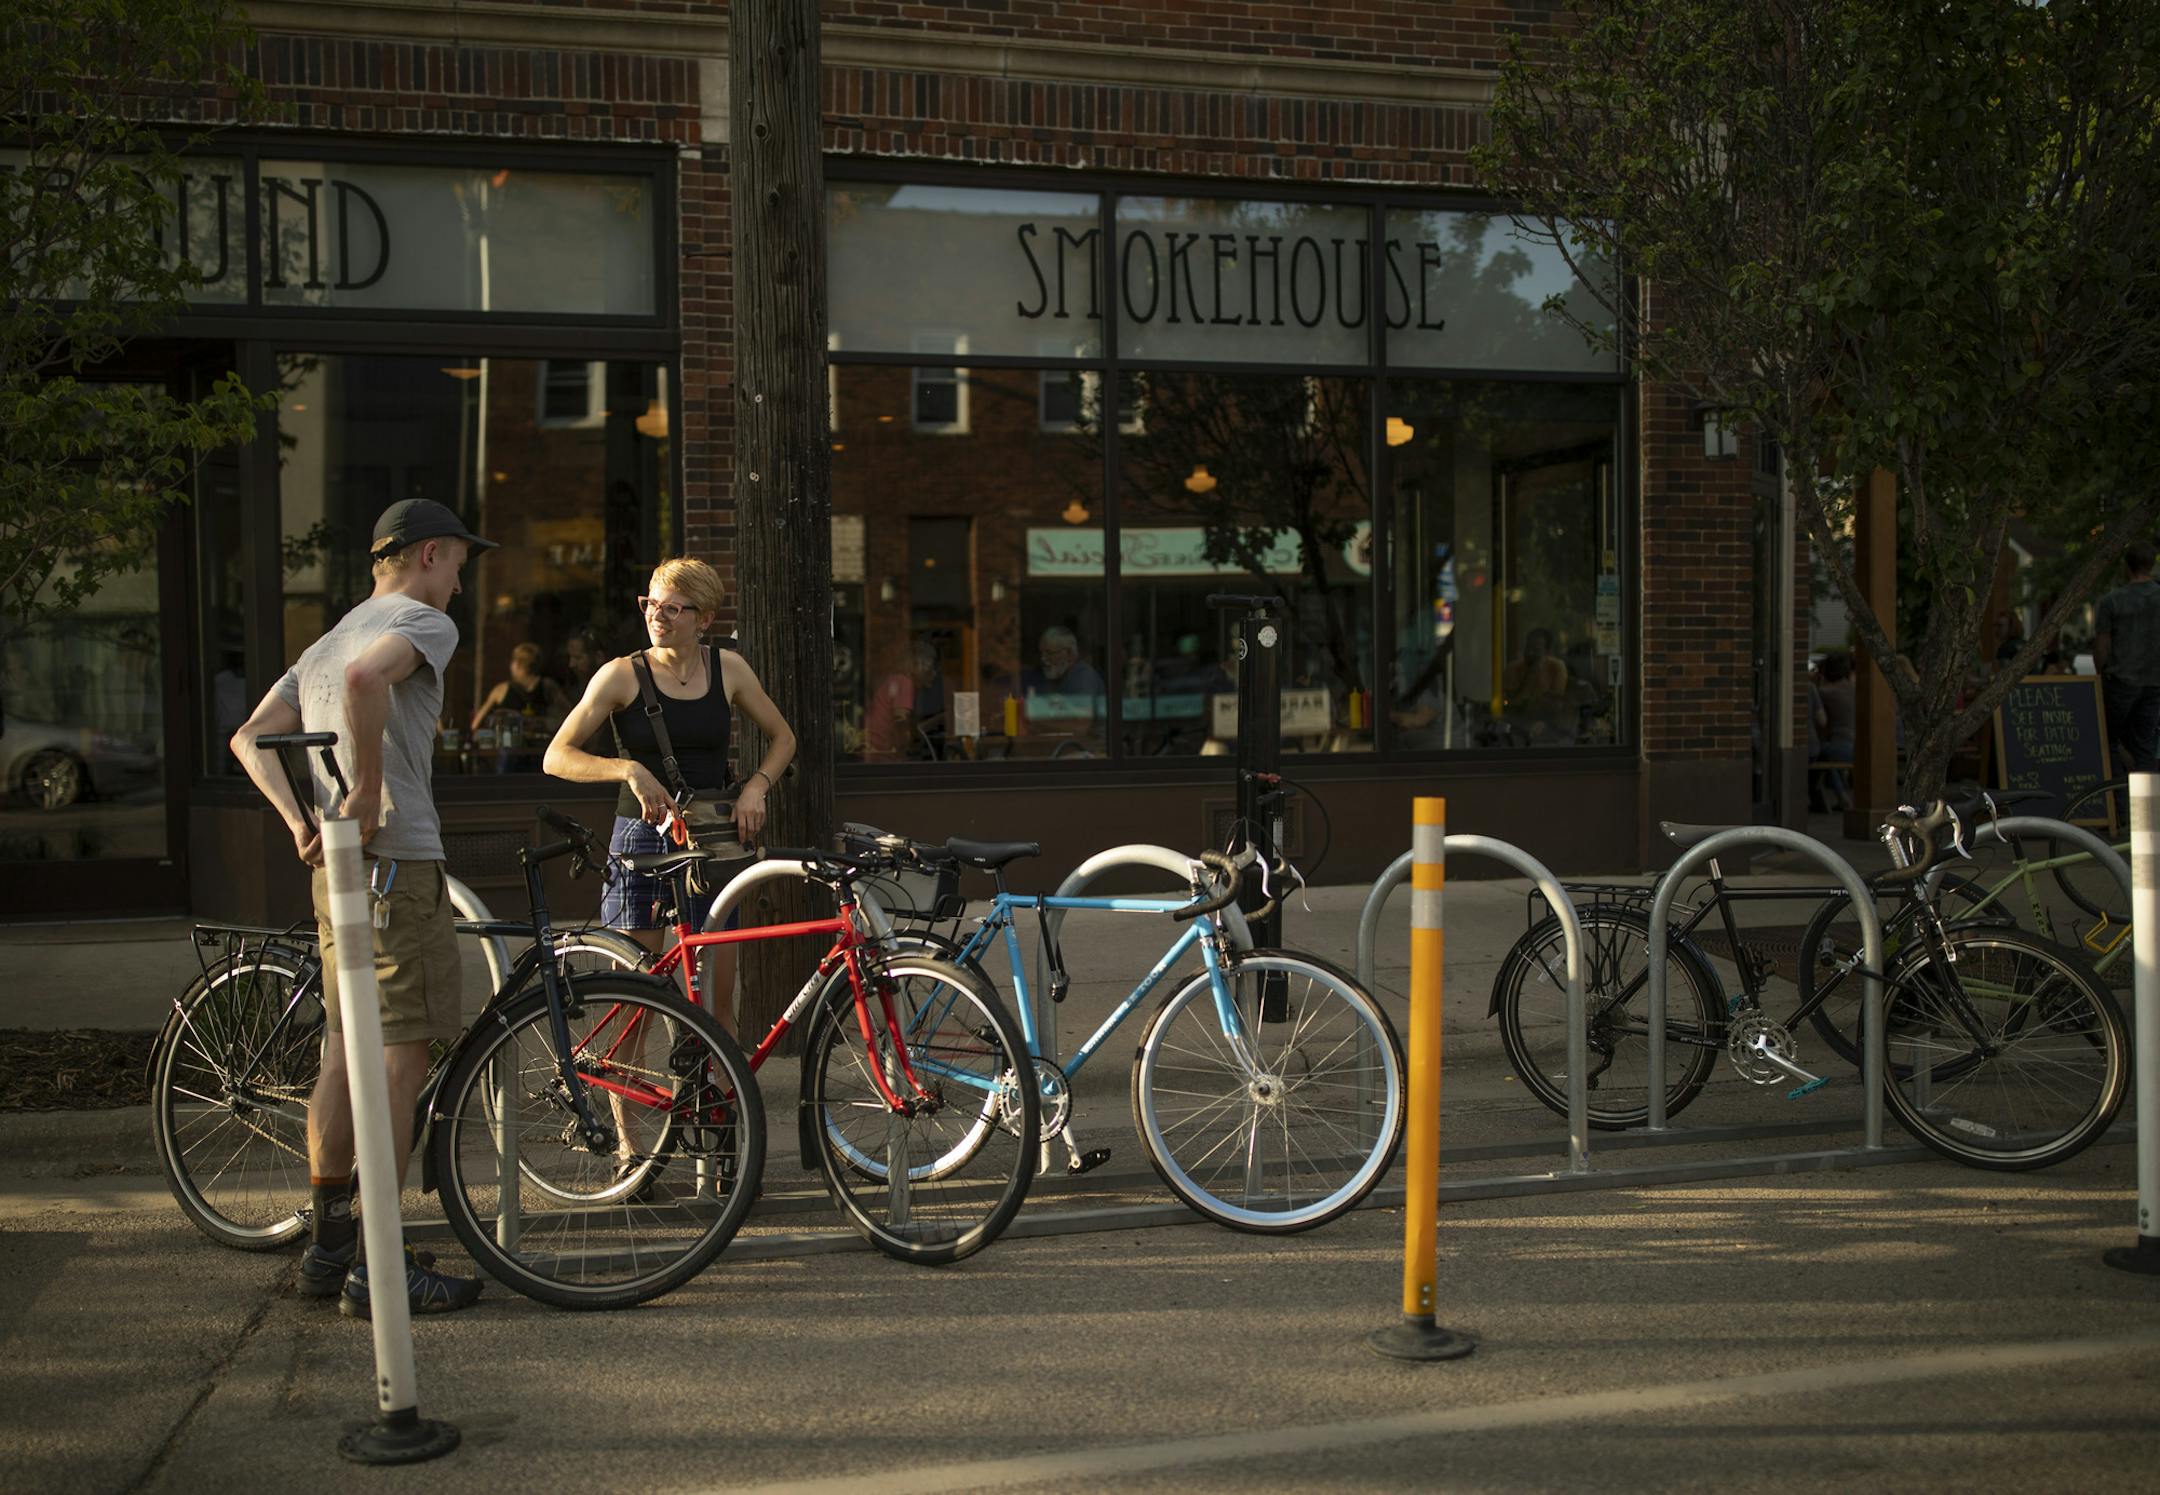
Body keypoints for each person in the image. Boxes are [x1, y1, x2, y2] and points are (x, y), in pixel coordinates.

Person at [228, 498, 494, 1320]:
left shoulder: (328, 635)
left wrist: (302, 820)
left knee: (344, 1051)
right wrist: (371, 791)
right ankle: (381, 1264)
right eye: (458, 561)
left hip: (338, 868)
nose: (460, 579)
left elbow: (249, 735)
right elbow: (364, 681)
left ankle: (332, 1242)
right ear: (427, 554)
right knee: (400, 1058)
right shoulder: (419, 622)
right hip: (396, 863)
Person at [543, 557, 796, 1042]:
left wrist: (756, 787)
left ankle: (715, 1112)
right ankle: (623, 1122)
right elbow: (556, 756)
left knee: (717, 1005)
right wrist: (628, 769)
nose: (657, 616)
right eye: (651, 604)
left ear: (704, 619)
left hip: (713, 844)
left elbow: (783, 738)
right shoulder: (620, 675)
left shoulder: (729, 669)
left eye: (673, 608)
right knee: (632, 1003)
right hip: (642, 842)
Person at [2093, 541, 2160, 772]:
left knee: (2107, 741)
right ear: (2151, 565)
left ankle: (2117, 802)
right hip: (2153, 683)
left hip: (2121, 682)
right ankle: (2145, 807)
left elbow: (2101, 646)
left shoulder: (2113, 600)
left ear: (2127, 566)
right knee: (2145, 746)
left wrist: (2100, 670)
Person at [1020, 624, 1106, 745]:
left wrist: (1035, 720)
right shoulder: (1060, 676)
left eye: (1049, 653)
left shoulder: (1084, 678)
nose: (1043, 659)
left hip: (1091, 752)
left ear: (1069, 654)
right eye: (1041, 653)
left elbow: (1081, 727)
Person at [470, 640, 568, 741]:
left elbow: (476, 724)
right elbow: (568, 713)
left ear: (518, 664)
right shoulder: (548, 686)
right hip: (538, 748)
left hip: (509, 750)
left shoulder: (501, 690)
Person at [862, 638, 942, 760]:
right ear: (916, 665)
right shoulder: (904, 683)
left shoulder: (899, 681)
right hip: (879, 753)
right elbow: (901, 722)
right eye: (929, 665)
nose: (934, 673)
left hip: (874, 751)